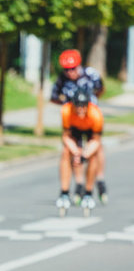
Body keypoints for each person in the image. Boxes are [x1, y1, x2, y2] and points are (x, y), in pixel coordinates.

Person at [51, 49, 107, 203]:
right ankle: (74, 186)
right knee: (68, 151)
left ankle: (98, 181)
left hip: (90, 116)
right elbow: (54, 97)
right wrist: (77, 152)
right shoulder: (62, 83)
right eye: (67, 70)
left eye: (73, 69)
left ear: (79, 65)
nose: (70, 73)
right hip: (72, 116)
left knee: (95, 150)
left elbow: (101, 89)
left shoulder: (91, 75)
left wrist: (92, 102)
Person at [56, 90, 104, 214]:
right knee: (66, 152)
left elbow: (96, 141)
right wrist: (75, 151)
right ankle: (64, 192)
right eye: (77, 106)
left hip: (90, 132)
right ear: (73, 105)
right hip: (74, 131)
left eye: (83, 106)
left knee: (93, 155)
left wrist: (84, 154)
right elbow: (66, 136)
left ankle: (88, 192)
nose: (80, 109)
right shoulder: (66, 111)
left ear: (88, 105)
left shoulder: (96, 114)